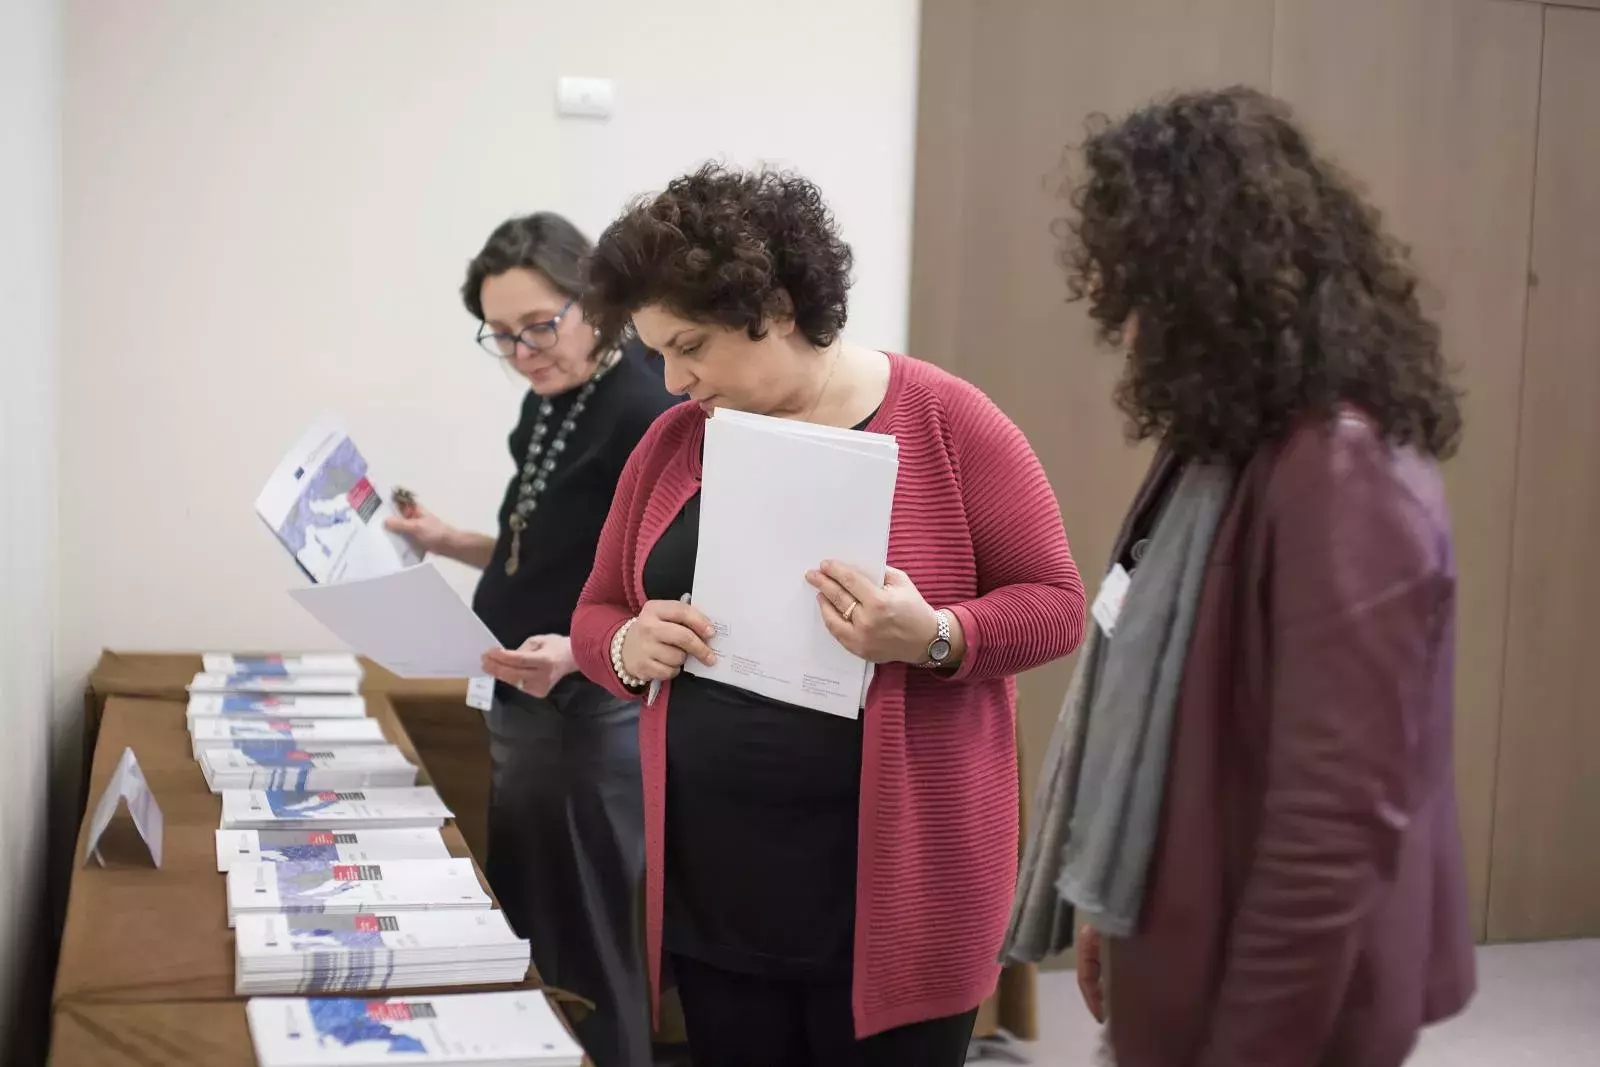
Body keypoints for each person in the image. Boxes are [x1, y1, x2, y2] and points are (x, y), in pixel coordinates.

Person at [567, 163, 1087, 1067]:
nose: (674, 378)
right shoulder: (673, 443)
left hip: (897, 888)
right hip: (720, 882)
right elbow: (596, 611)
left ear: (772, 306)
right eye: (656, 353)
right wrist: (627, 642)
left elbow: (1056, 608)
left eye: (690, 345)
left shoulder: (949, 421)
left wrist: (933, 635)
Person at [1012, 86, 1475, 1067]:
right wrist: (1110, 896)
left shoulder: (1339, 468)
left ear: (1205, 282)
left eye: (1136, 291)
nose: (1120, 323)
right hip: (1178, 929)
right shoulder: (1216, 444)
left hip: (1274, 998)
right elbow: (1137, 667)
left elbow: (1329, 826)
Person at [385, 212, 675, 1067]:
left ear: (595, 302)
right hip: (525, 700)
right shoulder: (553, 399)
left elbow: (672, 588)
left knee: (583, 943)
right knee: (530, 932)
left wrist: (584, 654)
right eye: (502, 336)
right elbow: (542, 547)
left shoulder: (645, 408)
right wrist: (450, 541)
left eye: (540, 326)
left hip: (587, 711)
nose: (523, 353)